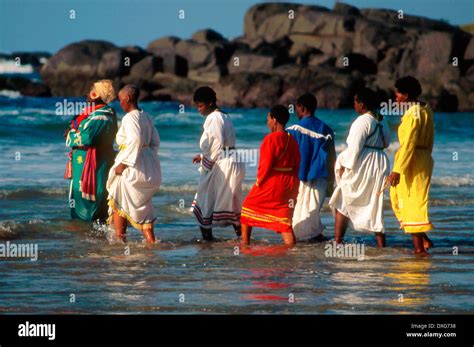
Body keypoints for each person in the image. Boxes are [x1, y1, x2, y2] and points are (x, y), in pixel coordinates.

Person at [329, 88, 391, 248]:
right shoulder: (381, 120)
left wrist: (345, 166)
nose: (354, 105)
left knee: (343, 199)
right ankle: (381, 245)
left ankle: (338, 242)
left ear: (362, 104)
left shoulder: (362, 121)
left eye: (355, 102)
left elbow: (355, 147)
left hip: (363, 163)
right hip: (379, 163)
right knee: (374, 204)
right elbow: (387, 143)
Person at [106, 85, 162, 243]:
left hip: (132, 164)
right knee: (143, 204)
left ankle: (120, 239)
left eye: (120, 99)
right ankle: (151, 240)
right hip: (148, 163)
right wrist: (148, 157)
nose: (120, 102)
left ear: (128, 99)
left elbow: (135, 140)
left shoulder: (130, 118)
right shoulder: (146, 116)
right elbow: (155, 142)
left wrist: (124, 163)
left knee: (118, 200)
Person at [240, 105, 301, 246]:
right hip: (290, 183)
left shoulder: (270, 139)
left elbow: (265, 165)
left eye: (268, 118)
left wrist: (259, 182)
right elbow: (298, 162)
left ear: (274, 120)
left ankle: (245, 243)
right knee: (284, 219)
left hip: (274, 182)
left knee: (247, 208)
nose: (267, 122)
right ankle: (291, 247)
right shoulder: (292, 139)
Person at [387, 76, 434, 254]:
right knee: (397, 196)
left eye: (397, 95)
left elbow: (408, 144)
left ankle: (419, 248)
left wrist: (397, 170)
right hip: (422, 157)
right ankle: (423, 239)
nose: (395, 99)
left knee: (412, 201)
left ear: (406, 96)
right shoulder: (425, 109)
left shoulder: (413, 114)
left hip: (413, 159)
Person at [191, 86, 245, 241]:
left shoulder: (213, 118)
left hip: (223, 163)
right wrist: (203, 156)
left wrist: (207, 164)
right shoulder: (225, 116)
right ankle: (243, 240)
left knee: (203, 200)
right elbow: (222, 143)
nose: (199, 110)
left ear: (209, 103)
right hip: (232, 159)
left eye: (200, 106)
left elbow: (217, 143)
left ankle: (207, 242)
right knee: (233, 203)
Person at [65, 80, 118, 222]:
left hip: (93, 165)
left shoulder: (101, 117)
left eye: (91, 92)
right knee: (81, 195)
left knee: (92, 196)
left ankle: (90, 234)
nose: (87, 95)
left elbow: (86, 138)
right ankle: (87, 232)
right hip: (85, 163)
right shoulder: (95, 114)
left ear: (96, 96)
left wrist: (71, 135)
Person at [287, 93, 335, 242]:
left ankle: (305, 242)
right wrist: (331, 181)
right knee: (313, 211)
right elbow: (332, 157)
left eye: (297, 108)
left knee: (301, 213)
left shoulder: (293, 130)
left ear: (302, 108)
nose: (296, 112)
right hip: (321, 177)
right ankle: (314, 239)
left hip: (299, 178)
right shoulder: (327, 130)